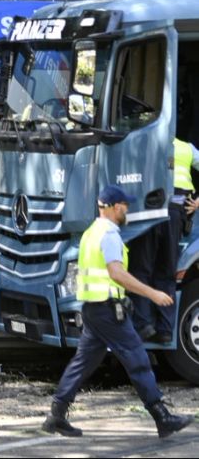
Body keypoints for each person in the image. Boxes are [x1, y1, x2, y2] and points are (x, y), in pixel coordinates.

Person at [42, 185, 193, 439]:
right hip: (108, 310)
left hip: (93, 308)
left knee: (83, 363)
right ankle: (162, 417)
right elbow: (116, 273)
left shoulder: (91, 232)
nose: (128, 209)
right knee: (138, 359)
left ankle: (56, 415)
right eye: (125, 205)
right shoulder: (110, 234)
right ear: (114, 207)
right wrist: (152, 293)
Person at [131, 137, 199, 343]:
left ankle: (143, 325)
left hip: (149, 209)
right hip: (177, 211)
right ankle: (165, 330)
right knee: (167, 271)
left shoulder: (143, 142)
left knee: (142, 269)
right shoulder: (186, 148)